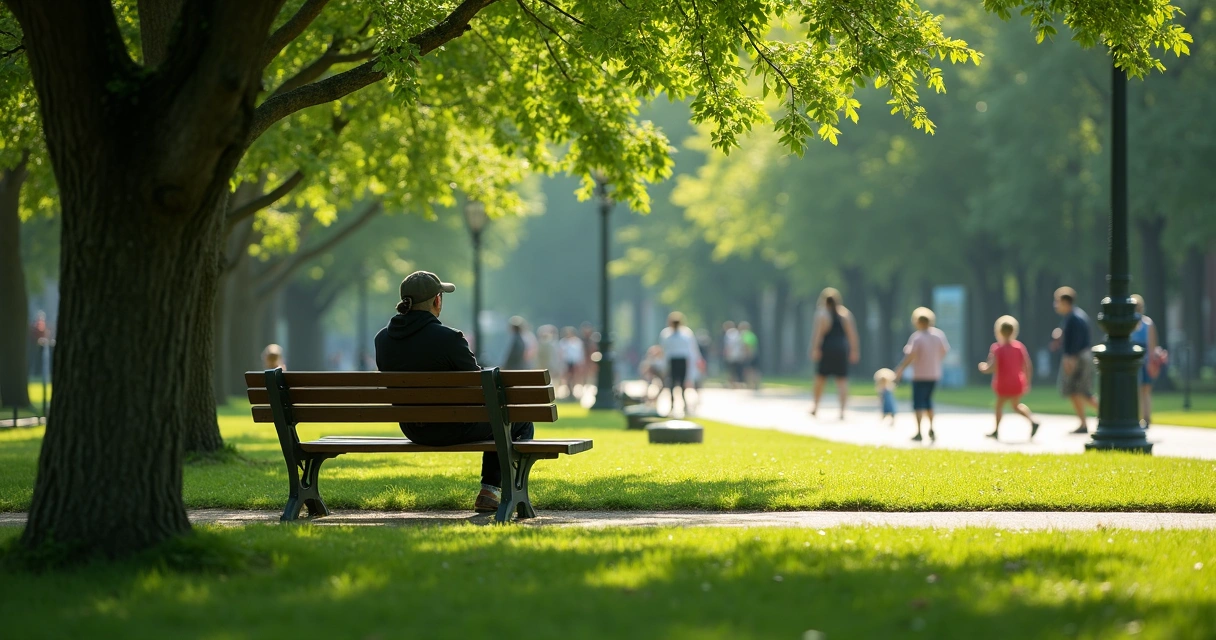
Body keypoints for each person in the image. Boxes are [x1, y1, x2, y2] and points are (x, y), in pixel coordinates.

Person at [374, 270, 534, 514]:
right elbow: (481, 388)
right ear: (437, 301)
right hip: (451, 428)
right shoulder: (450, 338)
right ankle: (494, 490)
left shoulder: (382, 339)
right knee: (516, 418)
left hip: (413, 428)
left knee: (500, 417)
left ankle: (492, 490)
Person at [977, 316, 1039, 441]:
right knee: (1016, 406)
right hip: (1017, 382)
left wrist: (984, 368)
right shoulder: (1019, 347)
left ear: (998, 331)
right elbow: (1027, 365)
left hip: (1003, 383)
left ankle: (996, 430)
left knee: (999, 406)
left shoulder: (997, 348)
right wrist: (1027, 381)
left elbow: (993, 366)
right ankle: (1032, 421)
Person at [894, 307, 950, 442]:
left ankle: (919, 431)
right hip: (934, 374)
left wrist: (901, 368)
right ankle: (931, 427)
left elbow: (910, 356)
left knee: (918, 403)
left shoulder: (917, 337)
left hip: (919, 375)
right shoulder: (939, 335)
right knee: (929, 402)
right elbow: (944, 351)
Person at [808, 288, 860, 419]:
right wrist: (854, 350)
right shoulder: (845, 314)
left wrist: (814, 349)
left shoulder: (822, 314)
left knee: (820, 379)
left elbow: (818, 334)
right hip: (841, 349)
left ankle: (815, 406)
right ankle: (842, 410)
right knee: (842, 380)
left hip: (827, 348)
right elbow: (852, 334)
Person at [1052, 287, 1098, 434]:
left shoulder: (1074, 318)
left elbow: (1077, 341)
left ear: (1066, 302)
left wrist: (1069, 358)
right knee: (1076, 391)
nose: (1055, 304)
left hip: (1078, 358)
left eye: (1058, 301)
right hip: (1079, 357)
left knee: (1081, 391)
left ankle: (1109, 415)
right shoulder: (1072, 317)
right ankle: (1083, 423)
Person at [1130, 294, 1164, 428]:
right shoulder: (1142, 324)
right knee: (1141, 391)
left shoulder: (1146, 324)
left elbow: (1151, 346)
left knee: (1144, 390)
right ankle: (1141, 418)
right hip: (1137, 360)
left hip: (1142, 361)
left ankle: (1145, 418)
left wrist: (1151, 363)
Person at [659, 312, 703, 417]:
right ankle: (673, 404)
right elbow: (664, 351)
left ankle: (684, 404)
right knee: (672, 384)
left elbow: (692, 351)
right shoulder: (667, 334)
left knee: (682, 384)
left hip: (682, 361)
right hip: (673, 360)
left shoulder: (685, 334)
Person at [559, 326, 585, 397]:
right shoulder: (563, 342)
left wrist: (581, 362)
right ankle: (569, 390)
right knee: (568, 377)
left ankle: (574, 390)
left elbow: (580, 352)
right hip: (567, 362)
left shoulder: (577, 341)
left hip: (575, 362)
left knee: (576, 377)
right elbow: (561, 353)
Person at [722, 321, 745, 387]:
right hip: (739, 354)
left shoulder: (729, 333)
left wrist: (727, 353)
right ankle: (737, 383)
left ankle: (731, 383)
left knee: (731, 370)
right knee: (737, 370)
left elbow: (729, 345)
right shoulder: (738, 333)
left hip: (732, 355)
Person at [738, 321, 760, 389]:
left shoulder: (745, 335)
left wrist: (746, 356)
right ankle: (756, 384)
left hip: (749, 355)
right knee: (755, 370)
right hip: (755, 354)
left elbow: (747, 346)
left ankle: (751, 385)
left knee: (749, 371)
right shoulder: (752, 334)